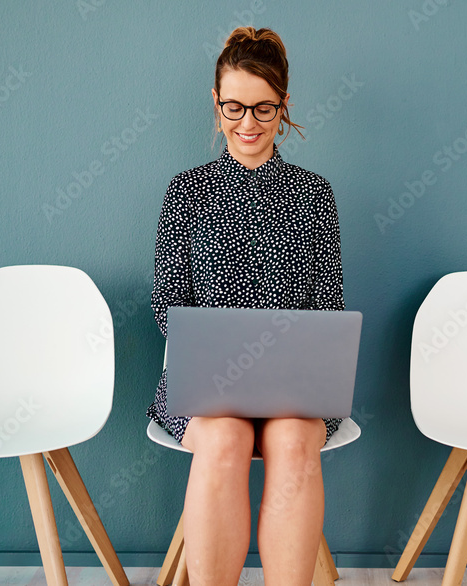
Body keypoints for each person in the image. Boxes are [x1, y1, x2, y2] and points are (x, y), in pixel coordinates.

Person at [146, 26, 345, 586]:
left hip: (295, 384)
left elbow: (327, 308)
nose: (249, 123)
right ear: (215, 104)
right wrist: (213, 355)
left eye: (264, 108)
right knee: (225, 438)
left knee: (291, 439)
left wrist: (293, 362)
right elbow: (169, 305)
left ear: (284, 106)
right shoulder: (186, 191)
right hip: (204, 383)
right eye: (235, 107)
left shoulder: (315, 194)